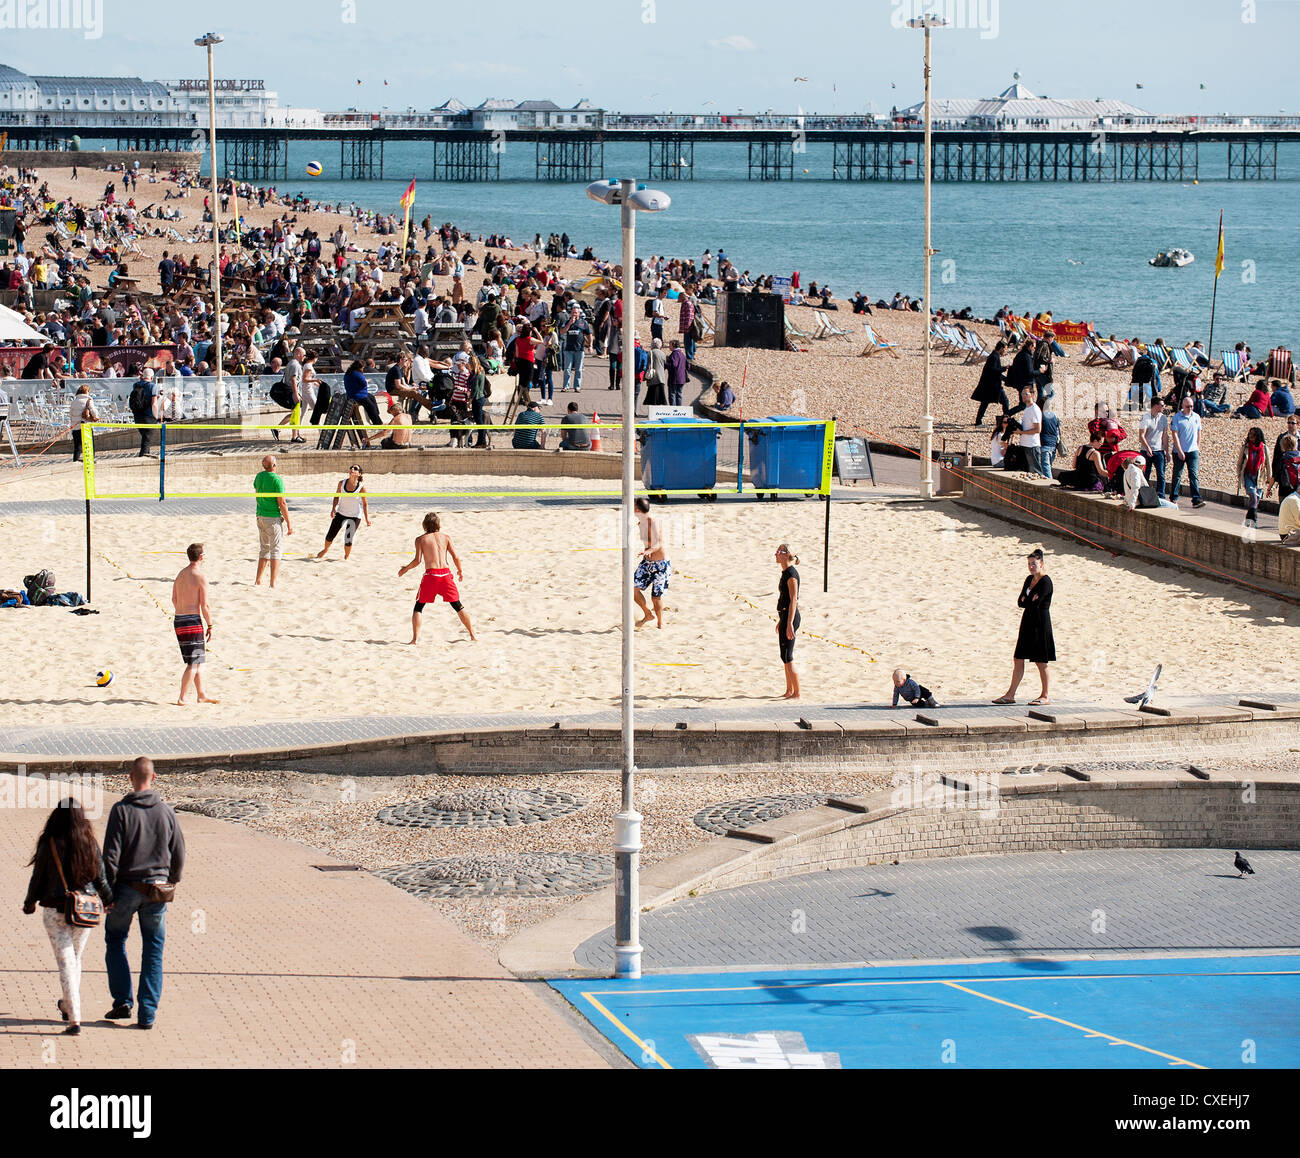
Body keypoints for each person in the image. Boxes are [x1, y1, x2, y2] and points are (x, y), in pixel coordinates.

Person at [102, 757, 185, 1031]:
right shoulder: (167, 811)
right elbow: (179, 852)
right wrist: (171, 880)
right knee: (153, 948)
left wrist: (107, 894)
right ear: (154, 777)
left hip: (126, 888)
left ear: (130, 778)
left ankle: (123, 1001)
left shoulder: (121, 810)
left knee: (115, 939)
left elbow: (110, 858)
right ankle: (147, 1013)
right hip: (157, 890)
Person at [22, 797, 114, 1036]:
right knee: (75, 958)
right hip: (85, 910)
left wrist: (30, 901)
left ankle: (74, 1018)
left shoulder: (49, 843)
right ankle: (67, 1005)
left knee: (66, 962)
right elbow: (100, 877)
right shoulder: (89, 842)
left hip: (56, 910)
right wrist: (108, 899)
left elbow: (38, 877)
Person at [398, 511, 475, 643]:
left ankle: (415, 639)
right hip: (445, 574)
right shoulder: (446, 537)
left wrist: (405, 569)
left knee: (419, 607)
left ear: (424, 525)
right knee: (458, 605)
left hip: (431, 575)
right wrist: (460, 571)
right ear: (438, 524)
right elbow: (455, 557)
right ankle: (473, 635)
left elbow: (417, 561)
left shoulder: (420, 539)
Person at [993, 548, 1054, 706]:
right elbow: (1021, 603)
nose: (1031, 567)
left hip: (1040, 622)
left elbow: (1037, 602)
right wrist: (1029, 598)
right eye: (1029, 564)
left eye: (1034, 563)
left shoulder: (1046, 582)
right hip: (1027, 621)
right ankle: (1010, 694)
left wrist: (1029, 599)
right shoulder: (1029, 579)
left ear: (1041, 563)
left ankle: (1045, 695)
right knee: (1018, 658)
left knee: (1041, 661)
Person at [171, 542, 217, 705]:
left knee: (197, 659)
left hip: (179, 619)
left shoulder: (181, 574)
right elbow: (204, 605)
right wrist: (210, 625)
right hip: (192, 621)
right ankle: (182, 697)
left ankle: (201, 694)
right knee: (194, 663)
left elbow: (174, 599)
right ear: (201, 556)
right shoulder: (200, 576)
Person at [253, 454, 293, 587]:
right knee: (276, 550)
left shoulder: (259, 476)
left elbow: (257, 492)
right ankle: (273, 583)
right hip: (272, 518)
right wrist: (289, 522)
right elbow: (282, 502)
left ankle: (258, 580)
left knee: (264, 549)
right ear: (274, 465)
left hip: (260, 516)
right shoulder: (277, 479)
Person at [316, 466, 370, 559]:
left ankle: (346, 556)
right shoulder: (341, 483)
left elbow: (365, 504)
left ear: (359, 474)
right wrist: (333, 508)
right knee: (330, 536)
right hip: (341, 513)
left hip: (355, 516)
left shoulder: (361, 487)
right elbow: (336, 496)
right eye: (351, 468)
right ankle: (325, 549)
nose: (352, 469)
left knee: (348, 539)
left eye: (355, 468)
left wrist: (367, 519)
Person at [633, 496, 670, 629]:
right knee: (632, 589)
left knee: (656, 597)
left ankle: (660, 624)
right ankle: (648, 614)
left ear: (637, 509)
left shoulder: (653, 521)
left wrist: (650, 551)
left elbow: (659, 543)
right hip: (646, 562)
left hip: (660, 564)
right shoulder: (640, 523)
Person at [1168, 393, 1207, 508]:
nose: (1189, 408)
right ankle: (1173, 497)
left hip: (1192, 450)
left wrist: (1197, 446)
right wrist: (1179, 450)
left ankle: (1196, 498)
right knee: (1177, 475)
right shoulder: (1176, 417)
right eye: (1187, 406)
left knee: (1194, 475)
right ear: (1183, 406)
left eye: (1191, 406)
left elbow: (1199, 432)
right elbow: (1174, 435)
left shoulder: (1196, 417)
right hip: (1179, 450)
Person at [774, 543, 801, 700]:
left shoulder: (791, 574)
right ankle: (789, 690)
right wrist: (782, 621)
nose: (775, 554)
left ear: (785, 554)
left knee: (789, 656)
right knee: (784, 656)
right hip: (785, 617)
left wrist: (789, 623)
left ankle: (797, 692)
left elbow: (793, 600)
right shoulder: (784, 572)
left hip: (791, 617)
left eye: (778, 552)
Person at [1237, 426, 1270, 529]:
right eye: (1250, 434)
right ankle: (1254, 521)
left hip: (1260, 476)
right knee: (1253, 496)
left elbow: (1268, 463)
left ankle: (1248, 520)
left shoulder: (1264, 448)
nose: (1251, 436)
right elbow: (1240, 463)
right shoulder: (1245, 447)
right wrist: (1239, 475)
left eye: (1254, 435)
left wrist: (1269, 479)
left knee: (1257, 498)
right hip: (1248, 475)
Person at [343, 360, 380, 447]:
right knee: (370, 406)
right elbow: (363, 383)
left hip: (354, 393)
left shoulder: (349, 373)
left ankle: (376, 416)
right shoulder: (357, 374)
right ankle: (377, 422)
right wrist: (366, 381)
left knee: (372, 398)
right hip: (358, 395)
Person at [971, 340, 1008, 426]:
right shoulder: (994, 357)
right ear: (1001, 348)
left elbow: (995, 371)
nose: (1005, 351)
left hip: (990, 385)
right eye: (1005, 349)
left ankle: (978, 421)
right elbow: (993, 370)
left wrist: (1005, 379)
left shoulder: (994, 355)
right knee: (1005, 401)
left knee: (985, 403)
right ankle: (1006, 420)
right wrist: (1004, 368)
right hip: (991, 385)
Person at [1139, 396, 1169, 497]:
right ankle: (1143, 494)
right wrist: (1148, 448)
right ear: (1156, 406)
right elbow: (1141, 436)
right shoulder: (1146, 418)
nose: (1164, 407)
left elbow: (1165, 435)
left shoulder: (1163, 418)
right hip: (1146, 451)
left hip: (1159, 450)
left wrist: (1167, 451)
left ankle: (1161, 495)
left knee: (1161, 474)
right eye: (1162, 405)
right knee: (1145, 474)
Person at [128, 367, 160, 457]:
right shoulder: (153, 386)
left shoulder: (135, 385)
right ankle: (143, 457)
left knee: (145, 438)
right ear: (152, 377)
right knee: (146, 440)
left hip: (137, 415)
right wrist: (156, 416)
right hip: (148, 416)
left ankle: (145, 455)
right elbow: (154, 404)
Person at [559, 303, 589, 392]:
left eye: (575, 313)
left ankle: (577, 386)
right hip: (568, 349)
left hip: (579, 349)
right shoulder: (567, 321)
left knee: (578, 369)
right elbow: (561, 331)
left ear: (579, 314)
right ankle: (566, 386)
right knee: (567, 369)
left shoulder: (583, 323)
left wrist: (590, 345)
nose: (574, 314)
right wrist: (569, 324)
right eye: (572, 313)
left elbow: (589, 334)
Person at [1016, 386, 1043, 475]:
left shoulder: (1034, 409)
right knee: (1027, 472)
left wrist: (1021, 432)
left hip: (1032, 445)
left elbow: (1038, 429)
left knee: (1036, 472)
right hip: (1025, 444)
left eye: (1026, 394)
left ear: (1032, 394)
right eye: (1022, 394)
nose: (1023, 396)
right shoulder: (1027, 409)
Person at [69, 384, 98, 462]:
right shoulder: (88, 401)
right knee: (90, 444)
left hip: (75, 426)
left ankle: (75, 459)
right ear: (87, 392)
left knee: (77, 446)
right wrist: (96, 417)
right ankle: (91, 459)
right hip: (86, 425)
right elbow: (93, 412)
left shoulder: (74, 401)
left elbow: (70, 414)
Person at [1274, 417, 1300, 502]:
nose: (1290, 425)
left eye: (1293, 423)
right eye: (1288, 423)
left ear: (1298, 425)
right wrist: (1275, 476)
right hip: (1284, 476)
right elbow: (1276, 457)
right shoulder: (1281, 437)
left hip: (1297, 477)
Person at [666, 339, 689, 407]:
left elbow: (674, 365)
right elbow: (688, 366)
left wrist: (666, 365)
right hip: (682, 378)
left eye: (670, 345)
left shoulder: (674, 354)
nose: (669, 347)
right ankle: (679, 410)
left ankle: (673, 410)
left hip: (674, 378)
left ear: (673, 345)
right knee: (679, 394)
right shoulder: (682, 354)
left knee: (672, 394)